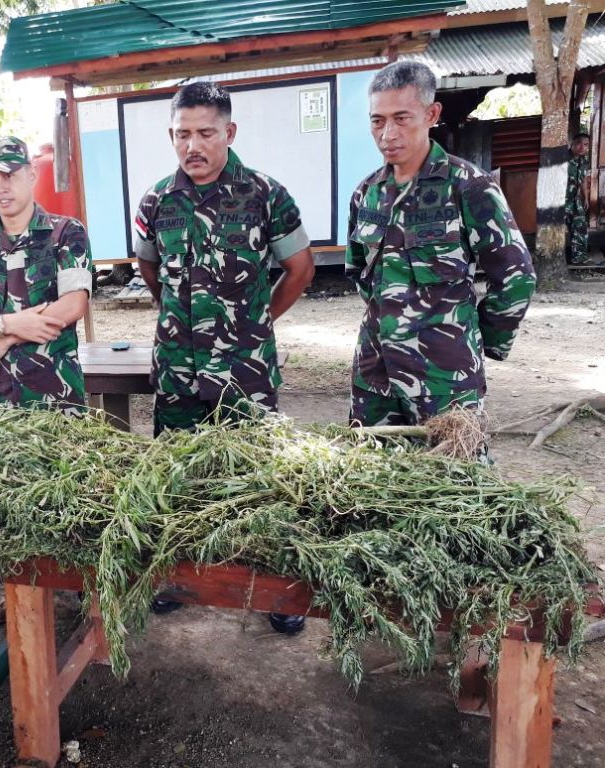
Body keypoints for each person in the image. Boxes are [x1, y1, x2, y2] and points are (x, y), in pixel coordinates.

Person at [133, 81, 314, 634]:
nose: (194, 144)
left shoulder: (266, 194)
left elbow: (300, 269)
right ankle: (180, 575)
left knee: (259, 479)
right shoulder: (156, 200)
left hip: (245, 372)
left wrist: (254, 325)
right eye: (183, 133)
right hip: (179, 374)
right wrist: (180, 324)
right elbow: (149, 269)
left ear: (229, 133)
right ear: (171, 135)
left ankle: (275, 589)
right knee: (179, 479)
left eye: (206, 133)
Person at [0, 135, 93, 625]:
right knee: (7, 496)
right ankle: (12, 590)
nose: (2, 187)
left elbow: (73, 306)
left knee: (68, 492)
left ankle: (81, 587)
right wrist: (10, 324)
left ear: (31, 174)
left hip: (56, 394)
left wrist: (6, 337)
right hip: (0, 401)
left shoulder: (64, 234)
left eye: (11, 175)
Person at [346, 60, 535, 431]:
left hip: (444, 376)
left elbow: (516, 278)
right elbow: (359, 272)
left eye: (401, 118)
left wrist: (476, 340)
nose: (387, 134)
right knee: (373, 477)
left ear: (431, 114)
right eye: (377, 121)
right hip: (376, 374)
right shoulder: (366, 193)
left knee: (458, 478)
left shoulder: (468, 187)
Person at [566, 132, 592, 265]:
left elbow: (583, 181)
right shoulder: (563, 158)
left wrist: (586, 197)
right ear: (572, 144)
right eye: (579, 143)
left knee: (580, 226)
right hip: (561, 200)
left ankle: (579, 257)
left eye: (586, 144)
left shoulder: (584, 160)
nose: (582, 147)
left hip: (575, 200)